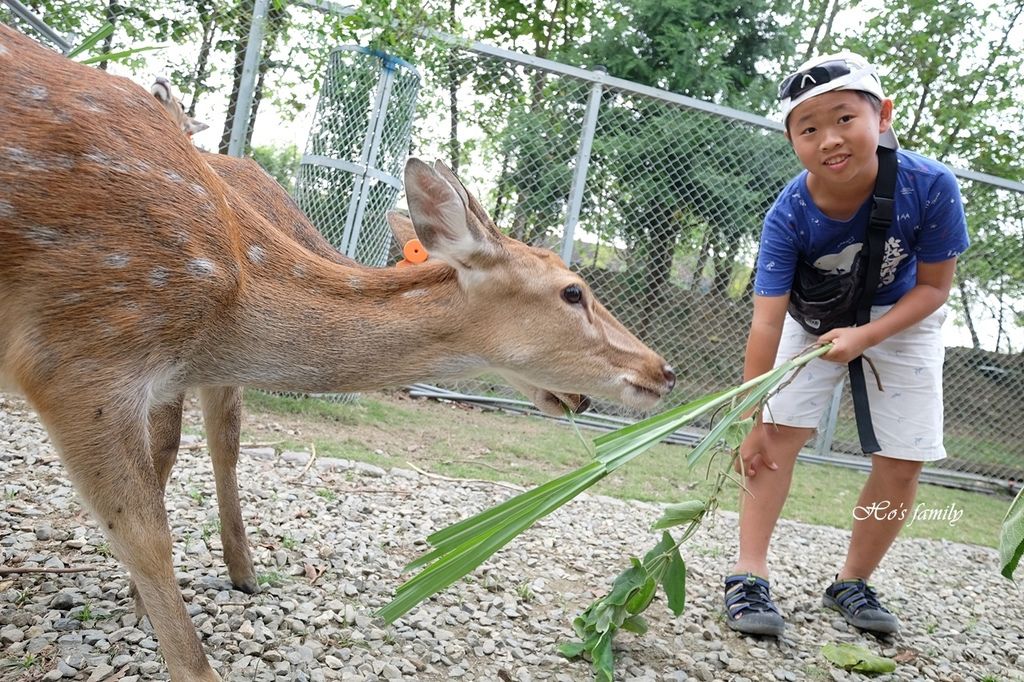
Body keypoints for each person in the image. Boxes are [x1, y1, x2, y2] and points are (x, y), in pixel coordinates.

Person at [723, 51, 970, 637]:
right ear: (792, 141)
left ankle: (852, 581)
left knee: (904, 460)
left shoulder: (930, 185)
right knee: (775, 439)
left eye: (843, 119)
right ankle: (748, 574)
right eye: (808, 129)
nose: (829, 139)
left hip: (902, 313)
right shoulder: (789, 213)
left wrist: (867, 335)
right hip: (813, 314)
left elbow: (935, 288)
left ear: (882, 116)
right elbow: (766, 321)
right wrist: (752, 416)